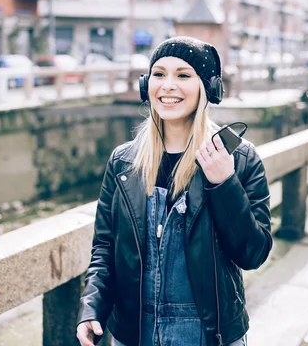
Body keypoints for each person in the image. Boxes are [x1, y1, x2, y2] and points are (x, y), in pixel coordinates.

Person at [76, 37, 272, 346]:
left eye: (183, 75)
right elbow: (105, 248)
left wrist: (224, 183)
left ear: (206, 88)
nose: (168, 85)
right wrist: (92, 309)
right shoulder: (124, 162)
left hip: (209, 335)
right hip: (133, 332)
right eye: (159, 74)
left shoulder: (240, 159)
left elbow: (253, 254)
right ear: (146, 85)